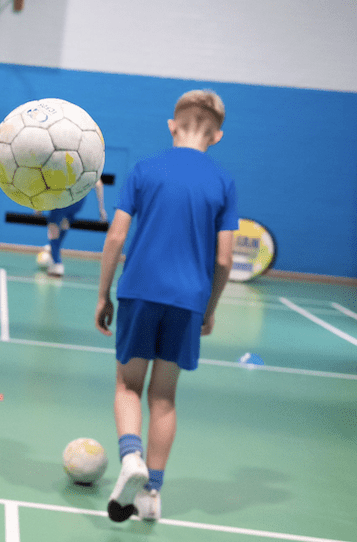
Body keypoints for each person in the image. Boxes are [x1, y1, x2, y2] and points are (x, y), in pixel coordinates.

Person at [94, 89, 237, 523]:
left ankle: (131, 456)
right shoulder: (223, 181)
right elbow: (224, 259)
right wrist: (208, 308)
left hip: (139, 290)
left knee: (128, 386)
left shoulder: (144, 169)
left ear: (172, 125)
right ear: (217, 136)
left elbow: (116, 236)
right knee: (165, 398)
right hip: (189, 299)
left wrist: (103, 293)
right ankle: (152, 492)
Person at [41, 181, 107, 277]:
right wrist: (101, 210)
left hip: (62, 197)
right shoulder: (88, 165)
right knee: (64, 224)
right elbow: (99, 184)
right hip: (78, 201)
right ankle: (53, 252)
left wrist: (39, 207)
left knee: (53, 227)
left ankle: (56, 262)